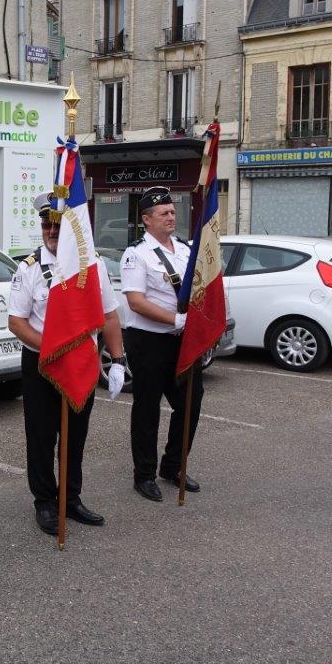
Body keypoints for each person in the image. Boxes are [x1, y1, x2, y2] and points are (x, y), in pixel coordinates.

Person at [7, 193, 126, 535]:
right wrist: (54, 349)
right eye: (46, 225)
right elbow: (17, 322)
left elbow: (108, 315)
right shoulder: (28, 269)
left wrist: (117, 360)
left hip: (81, 364)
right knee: (42, 438)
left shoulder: (93, 266)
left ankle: (70, 499)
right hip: (42, 364)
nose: (51, 232)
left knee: (75, 437)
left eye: (58, 226)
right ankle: (45, 501)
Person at [118, 186, 204, 503]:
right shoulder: (136, 254)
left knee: (190, 404)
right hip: (149, 342)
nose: (171, 216)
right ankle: (144, 474)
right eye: (163, 213)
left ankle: (173, 467)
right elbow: (136, 302)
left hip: (182, 343)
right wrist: (175, 320)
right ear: (146, 219)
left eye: (172, 211)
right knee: (147, 409)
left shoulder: (185, 249)